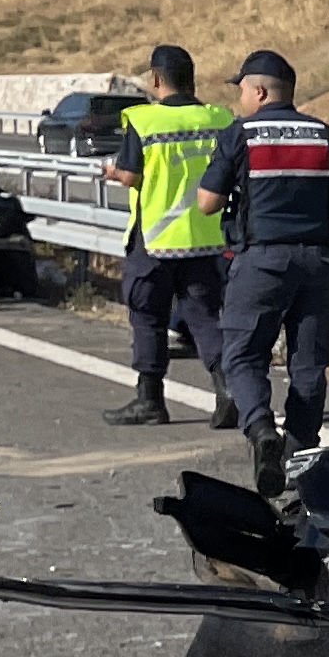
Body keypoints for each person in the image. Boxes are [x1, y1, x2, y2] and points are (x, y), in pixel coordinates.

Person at [191, 50, 329, 498]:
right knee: (309, 362)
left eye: (241, 89)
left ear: (259, 91)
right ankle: (300, 454)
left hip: (262, 262)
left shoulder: (240, 134)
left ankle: (262, 432)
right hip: (320, 264)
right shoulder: (324, 135)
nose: (239, 97)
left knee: (242, 355)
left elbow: (206, 202)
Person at [99, 44, 236, 427]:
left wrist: (111, 173)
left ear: (156, 79)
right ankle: (228, 393)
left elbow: (130, 175)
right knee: (205, 317)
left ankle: (150, 400)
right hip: (206, 238)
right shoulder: (220, 118)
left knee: (148, 318)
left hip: (155, 241)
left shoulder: (143, 122)